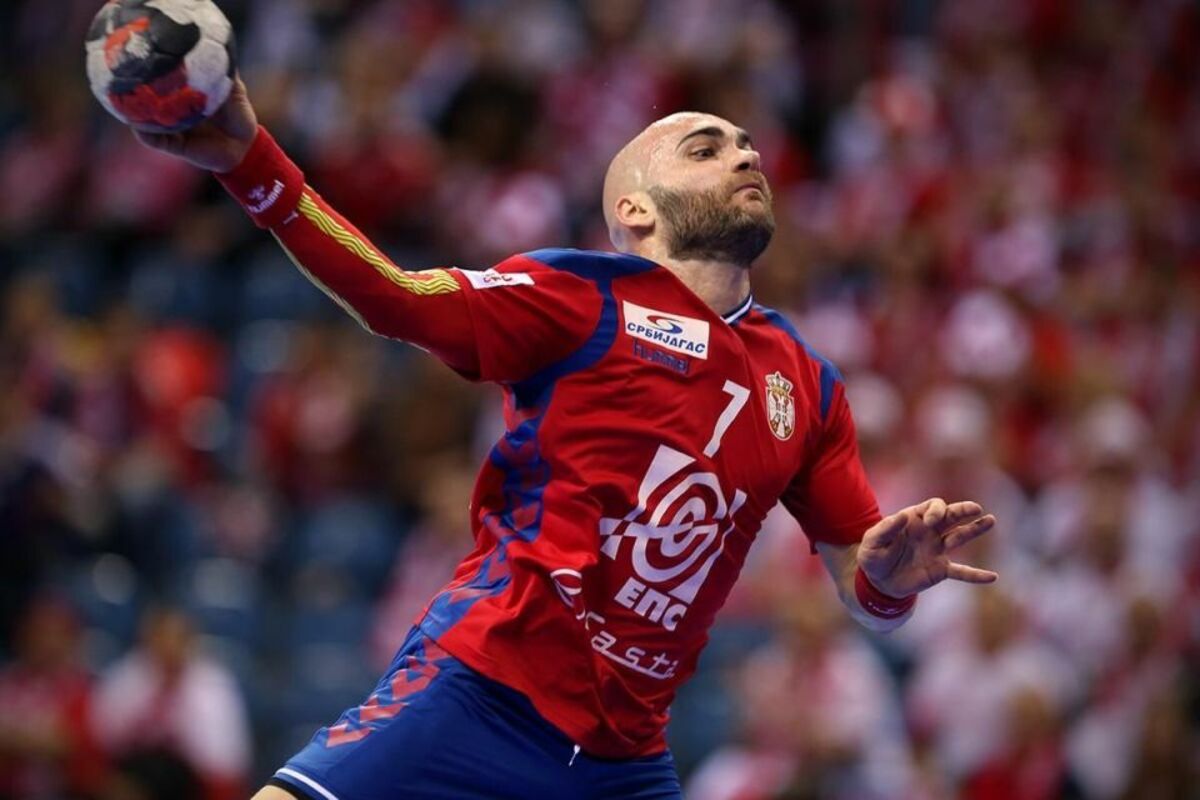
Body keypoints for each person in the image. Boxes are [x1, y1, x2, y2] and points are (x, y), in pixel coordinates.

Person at [133, 78, 998, 800]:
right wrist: (249, 161)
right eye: (705, 149)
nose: (746, 156)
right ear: (635, 209)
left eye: (746, 146)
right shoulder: (578, 296)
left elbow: (864, 589)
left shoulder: (808, 387)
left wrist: (890, 581)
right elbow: (392, 295)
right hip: (481, 691)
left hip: (624, 761)